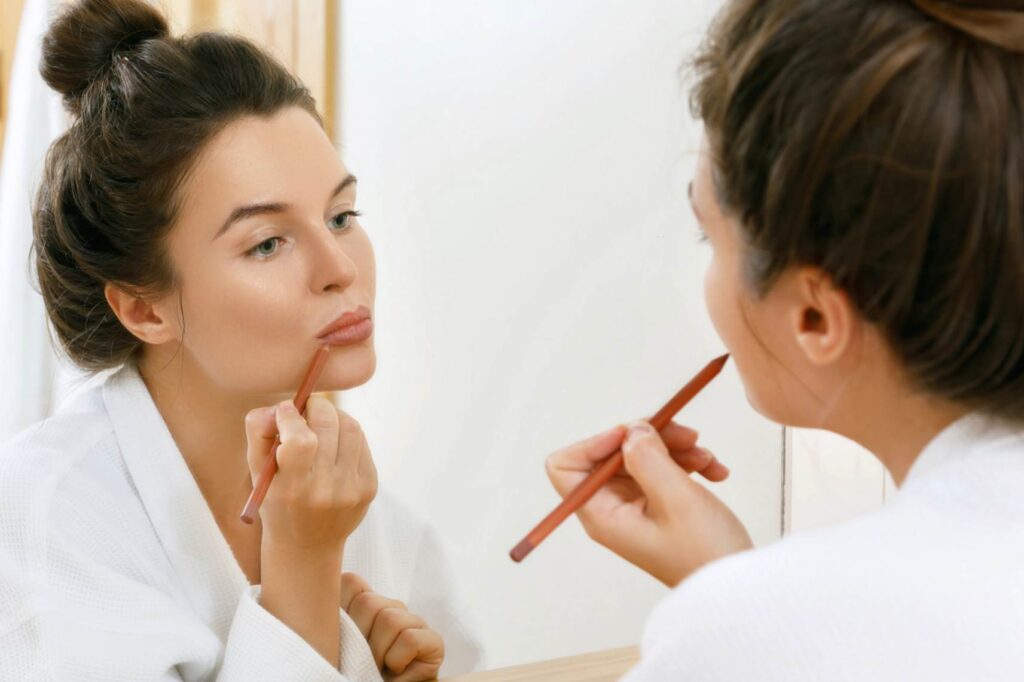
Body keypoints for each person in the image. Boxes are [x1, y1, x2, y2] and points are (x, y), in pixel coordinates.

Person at [0, 0, 481, 679]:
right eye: (267, 244)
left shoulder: (375, 523)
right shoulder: (36, 527)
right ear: (144, 309)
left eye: (342, 215)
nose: (341, 268)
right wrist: (305, 569)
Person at [546, 1, 1024, 679]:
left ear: (814, 319)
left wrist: (742, 610)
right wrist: (739, 588)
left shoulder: (751, 632)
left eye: (708, 237)